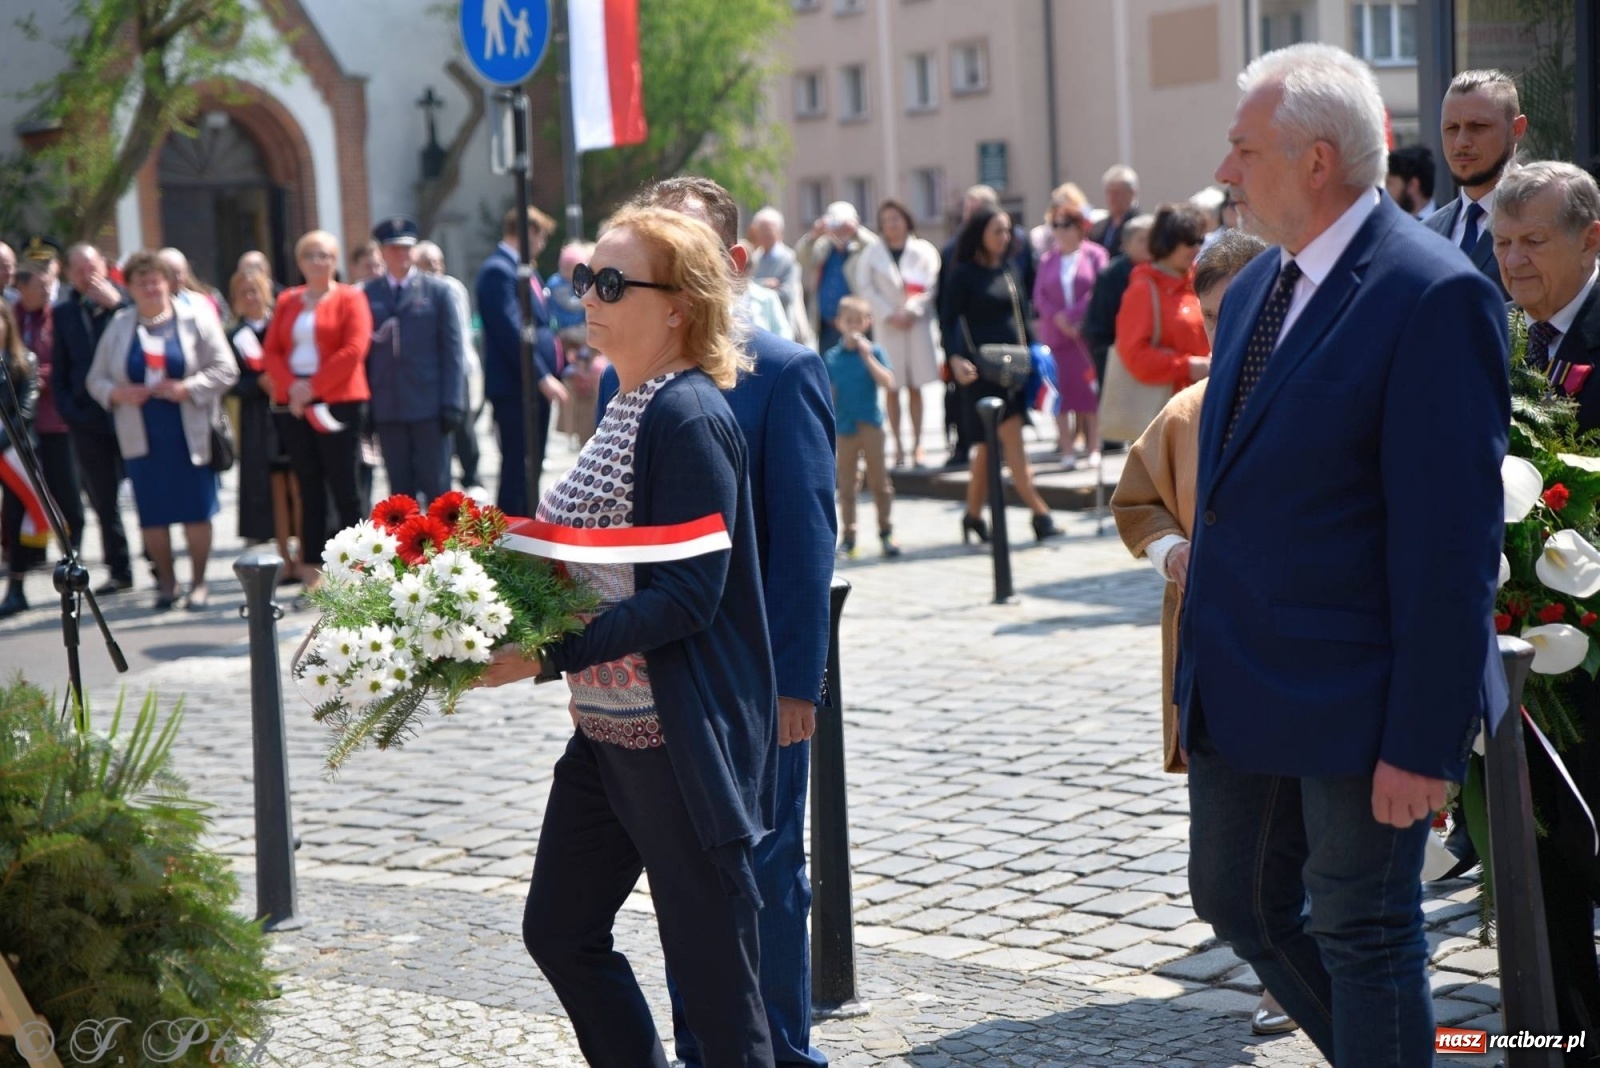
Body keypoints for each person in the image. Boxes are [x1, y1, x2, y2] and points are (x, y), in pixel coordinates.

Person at [1182, 44, 1508, 1067]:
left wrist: (1422, 741)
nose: (1226, 171)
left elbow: (1450, 544)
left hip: (1361, 698)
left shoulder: (1429, 294)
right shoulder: (1250, 293)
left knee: (1364, 933)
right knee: (1234, 899)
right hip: (1241, 685)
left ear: (1314, 159)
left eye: (1243, 150)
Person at [478, 203, 778, 1068]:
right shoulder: (626, 397)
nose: (589, 297)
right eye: (584, 279)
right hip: (607, 732)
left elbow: (690, 594)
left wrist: (548, 653)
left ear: (679, 303)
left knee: (719, 996)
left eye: (612, 283)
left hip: (677, 743)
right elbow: (592, 557)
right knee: (561, 931)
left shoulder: (686, 415)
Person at [595, 176, 837, 1068]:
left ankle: (781, 1053)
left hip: (748, 684)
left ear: (729, 266)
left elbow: (806, 543)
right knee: (687, 883)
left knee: (766, 877)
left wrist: (794, 686)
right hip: (658, 676)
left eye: (680, 252)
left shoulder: (781, 372)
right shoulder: (623, 377)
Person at [1109, 227, 1302, 1037]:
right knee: (1224, 876)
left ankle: (1295, 985)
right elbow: (1136, 499)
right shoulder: (1187, 411)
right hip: (1216, 671)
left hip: (1310, 666)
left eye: (1244, 311)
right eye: (1214, 316)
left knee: (1311, 840)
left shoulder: (1315, 394)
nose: (1229, 331)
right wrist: (1171, 550)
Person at [1492, 161, 1600, 1060]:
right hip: (1535, 656)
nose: (1515, 261)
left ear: (1590, 238)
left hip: (1592, 642)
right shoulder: (1513, 337)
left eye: (1536, 242)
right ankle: (1564, 1032)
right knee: (1551, 851)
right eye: (1503, 242)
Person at [86, 250, 238, 610]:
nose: (150, 287)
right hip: (143, 434)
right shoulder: (120, 324)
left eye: (156, 280)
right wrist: (118, 393)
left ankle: (199, 583)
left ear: (168, 282)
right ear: (131, 288)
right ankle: (167, 583)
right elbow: (95, 379)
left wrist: (188, 388)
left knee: (196, 510)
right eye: (141, 282)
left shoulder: (195, 318)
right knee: (153, 513)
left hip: (189, 432)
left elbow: (226, 368)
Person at [940, 205, 1063, 544]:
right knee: (1008, 444)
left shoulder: (1010, 270)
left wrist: (1037, 354)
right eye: (997, 230)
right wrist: (954, 358)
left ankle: (973, 515)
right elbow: (948, 319)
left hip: (1015, 370)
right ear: (980, 233)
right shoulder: (963, 274)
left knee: (990, 449)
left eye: (1008, 230)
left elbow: (1023, 319)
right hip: (979, 372)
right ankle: (1040, 512)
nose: (1004, 237)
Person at [261, 230, 373, 589]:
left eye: (324, 255)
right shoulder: (288, 300)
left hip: (338, 401)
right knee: (307, 487)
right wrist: (293, 386)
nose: (317, 261)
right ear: (299, 262)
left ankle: (358, 568)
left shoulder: (351, 298)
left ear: (335, 261)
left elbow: (354, 349)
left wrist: (313, 388)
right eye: (310, 255)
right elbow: (272, 351)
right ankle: (313, 572)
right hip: (294, 404)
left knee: (345, 486)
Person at [360, 215, 465, 508]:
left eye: (407, 248)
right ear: (381, 252)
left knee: (439, 491)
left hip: (429, 406)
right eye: (394, 249)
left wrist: (452, 403)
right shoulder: (368, 295)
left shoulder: (437, 291)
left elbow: (453, 351)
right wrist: (367, 408)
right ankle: (406, 554)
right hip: (389, 406)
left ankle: (446, 553)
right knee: (399, 495)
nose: (401, 255)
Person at [50, 243, 134, 594]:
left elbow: (140, 336)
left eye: (93, 267)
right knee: (103, 497)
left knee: (143, 491)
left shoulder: (125, 303)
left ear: (105, 265)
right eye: (80, 270)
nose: (88, 276)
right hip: (87, 418)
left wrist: (115, 305)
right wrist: (70, 410)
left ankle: (160, 567)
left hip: (128, 411)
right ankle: (120, 569)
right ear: (69, 274)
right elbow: (61, 368)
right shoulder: (65, 311)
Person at [476, 206, 569, 516]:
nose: (542, 244)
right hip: (517, 387)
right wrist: (542, 377)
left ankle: (527, 531)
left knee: (531, 467)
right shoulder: (498, 271)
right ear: (527, 232)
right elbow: (512, 332)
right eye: (540, 236)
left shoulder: (523, 269)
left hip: (530, 388)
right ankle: (511, 540)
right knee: (519, 466)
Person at [1426, 69, 1527, 296]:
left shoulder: (1551, 218)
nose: (1461, 142)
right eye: (1451, 128)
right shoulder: (1427, 233)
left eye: (1478, 127)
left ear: (1517, 129)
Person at [226, 269, 300, 580]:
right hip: (258, 420)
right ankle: (284, 556)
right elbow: (230, 379)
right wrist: (257, 382)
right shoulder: (234, 336)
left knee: (299, 486)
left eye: (255, 290)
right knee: (273, 490)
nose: (251, 297)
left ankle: (306, 555)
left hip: (290, 412)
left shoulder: (282, 326)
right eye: (244, 292)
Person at [857, 199, 941, 468]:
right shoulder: (872, 253)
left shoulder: (923, 250)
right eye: (887, 220)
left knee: (916, 386)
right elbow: (865, 287)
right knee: (892, 387)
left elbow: (930, 284)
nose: (892, 225)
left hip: (915, 325)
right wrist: (889, 312)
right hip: (889, 326)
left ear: (906, 220)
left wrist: (911, 311)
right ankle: (899, 447)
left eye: (897, 218)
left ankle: (918, 444)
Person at [1033, 185, 1109, 468]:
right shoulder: (1047, 260)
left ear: (1079, 228)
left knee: (1089, 392)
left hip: (1084, 335)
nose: (1061, 231)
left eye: (1066, 225)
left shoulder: (1095, 254)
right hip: (1057, 338)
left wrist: (1074, 315)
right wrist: (1058, 317)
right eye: (1056, 225)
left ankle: (1093, 447)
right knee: (1060, 394)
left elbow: (1098, 289)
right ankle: (1067, 449)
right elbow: (1039, 294)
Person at [12, 263, 82, 559]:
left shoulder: (58, 316)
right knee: (27, 487)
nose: (46, 291)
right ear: (22, 288)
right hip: (20, 423)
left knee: (65, 486)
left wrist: (40, 375)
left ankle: (72, 545)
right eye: (39, 286)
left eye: (48, 285)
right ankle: (31, 551)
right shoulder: (10, 316)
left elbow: (70, 360)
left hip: (56, 418)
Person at [824, 296, 899, 558]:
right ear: (839, 323)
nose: (854, 327)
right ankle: (849, 535)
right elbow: (829, 392)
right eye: (849, 321)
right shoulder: (832, 357)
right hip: (844, 428)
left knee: (880, 482)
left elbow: (888, 382)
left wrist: (868, 358)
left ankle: (886, 531)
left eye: (859, 321)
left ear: (867, 323)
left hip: (871, 424)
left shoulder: (874, 351)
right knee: (846, 485)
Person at [1113, 204, 1210, 396]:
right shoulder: (1144, 289)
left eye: (1200, 240)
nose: (1197, 248)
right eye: (1190, 241)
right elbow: (1134, 355)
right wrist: (1187, 366)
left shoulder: (1200, 282)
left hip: (1203, 399)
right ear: (1168, 241)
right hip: (1168, 406)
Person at [413, 240, 487, 491]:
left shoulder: (453, 288)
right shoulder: (414, 292)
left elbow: (462, 332)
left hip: (459, 367)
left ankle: (471, 475)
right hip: (431, 371)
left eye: (437, 262)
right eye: (427, 263)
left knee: (464, 423)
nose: (433, 267)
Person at [0, 302, 42, 618]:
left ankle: (17, 587)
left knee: (14, 521)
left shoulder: (23, 361)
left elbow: (25, 412)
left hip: (12, 453)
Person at [1083, 213, 1156, 392]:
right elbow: (1098, 327)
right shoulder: (1110, 276)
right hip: (1118, 360)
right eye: (1142, 239)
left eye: (1153, 238)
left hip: (1155, 360)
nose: (1149, 245)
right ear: (1127, 244)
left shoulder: (1164, 270)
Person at [796, 201, 879, 354]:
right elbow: (802, 257)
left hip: (857, 326)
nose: (840, 230)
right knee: (828, 372)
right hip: (827, 326)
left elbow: (877, 248)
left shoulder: (862, 246)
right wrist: (815, 234)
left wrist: (856, 231)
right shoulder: (824, 246)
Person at [748, 207, 811, 346]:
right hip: (760, 326)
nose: (764, 235)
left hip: (784, 326)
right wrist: (765, 285)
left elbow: (787, 294)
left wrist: (758, 287)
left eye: (768, 231)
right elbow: (747, 289)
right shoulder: (755, 258)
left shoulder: (789, 259)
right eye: (761, 231)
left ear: (778, 232)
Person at [157, 247, 224, 321]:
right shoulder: (149, 306)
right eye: (172, 274)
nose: (178, 278)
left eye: (180, 273)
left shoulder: (201, 302)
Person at [1089, 165, 1142, 257]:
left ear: (1132, 193)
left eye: (1117, 193)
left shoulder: (1141, 227)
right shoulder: (1098, 228)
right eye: (1108, 192)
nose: (1112, 198)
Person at [1386, 143, 1437, 219]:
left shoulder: (1450, 222)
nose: (1384, 191)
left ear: (1412, 185)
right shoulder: (1385, 223)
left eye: (1389, 183)